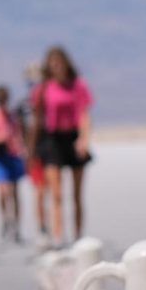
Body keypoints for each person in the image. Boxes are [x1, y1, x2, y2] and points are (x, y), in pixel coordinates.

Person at [32, 46, 92, 246]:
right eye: (53, 64)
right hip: (52, 140)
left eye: (60, 63)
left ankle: (78, 236)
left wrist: (83, 139)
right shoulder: (43, 88)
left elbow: (84, 113)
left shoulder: (78, 85)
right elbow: (37, 117)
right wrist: (32, 146)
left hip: (72, 137)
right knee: (56, 193)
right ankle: (58, 236)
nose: (57, 67)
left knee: (77, 194)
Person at [0, 84, 27, 243]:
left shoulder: (13, 115)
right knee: (2, 191)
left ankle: (16, 225)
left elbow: (19, 133)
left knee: (14, 191)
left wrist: (22, 148)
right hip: (0, 156)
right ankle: (5, 219)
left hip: (14, 155)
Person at [19, 63, 52, 249]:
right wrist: (27, 151)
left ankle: (54, 230)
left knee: (54, 191)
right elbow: (22, 130)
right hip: (35, 152)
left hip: (50, 149)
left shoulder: (50, 100)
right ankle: (42, 229)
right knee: (39, 191)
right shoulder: (24, 106)